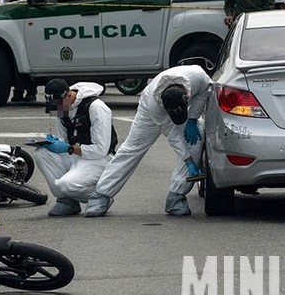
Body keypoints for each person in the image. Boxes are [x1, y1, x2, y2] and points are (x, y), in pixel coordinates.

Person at [86, 64, 211, 217]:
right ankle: (101, 194)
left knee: (195, 140)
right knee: (132, 148)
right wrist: (189, 161)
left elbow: (203, 93)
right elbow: (173, 135)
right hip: (149, 110)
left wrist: (192, 119)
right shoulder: (155, 105)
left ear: (186, 97)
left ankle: (176, 196)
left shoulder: (198, 76)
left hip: (186, 108)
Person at [33, 78, 118, 216]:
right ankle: (67, 201)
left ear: (69, 95)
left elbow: (101, 150)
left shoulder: (96, 107)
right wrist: (54, 144)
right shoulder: (62, 108)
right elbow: (63, 140)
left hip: (99, 160)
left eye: (58, 106)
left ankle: (100, 197)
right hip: (77, 155)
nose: (57, 110)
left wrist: (68, 148)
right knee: (41, 153)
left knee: (65, 184)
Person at [9, 0, 41, 102]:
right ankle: (18, 90)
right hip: (17, 25)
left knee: (29, 59)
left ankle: (31, 91)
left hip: (31, 24)